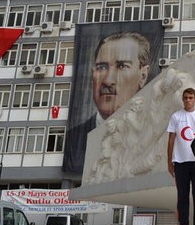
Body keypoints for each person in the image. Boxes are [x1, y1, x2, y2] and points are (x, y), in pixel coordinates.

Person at [64, 31, 152, 174]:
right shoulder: (74, 138)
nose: (107, 80)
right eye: (102, 68)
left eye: (122, 66)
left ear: (143, 75)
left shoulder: (151, 132)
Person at [167, 88, 195, 225]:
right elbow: (171, 139)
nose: (188, 100)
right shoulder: (176, 117)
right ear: (182, 99)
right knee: (182, 198)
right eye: (185, 98)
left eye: (191, 97)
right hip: (180, 162)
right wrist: (169, 161)